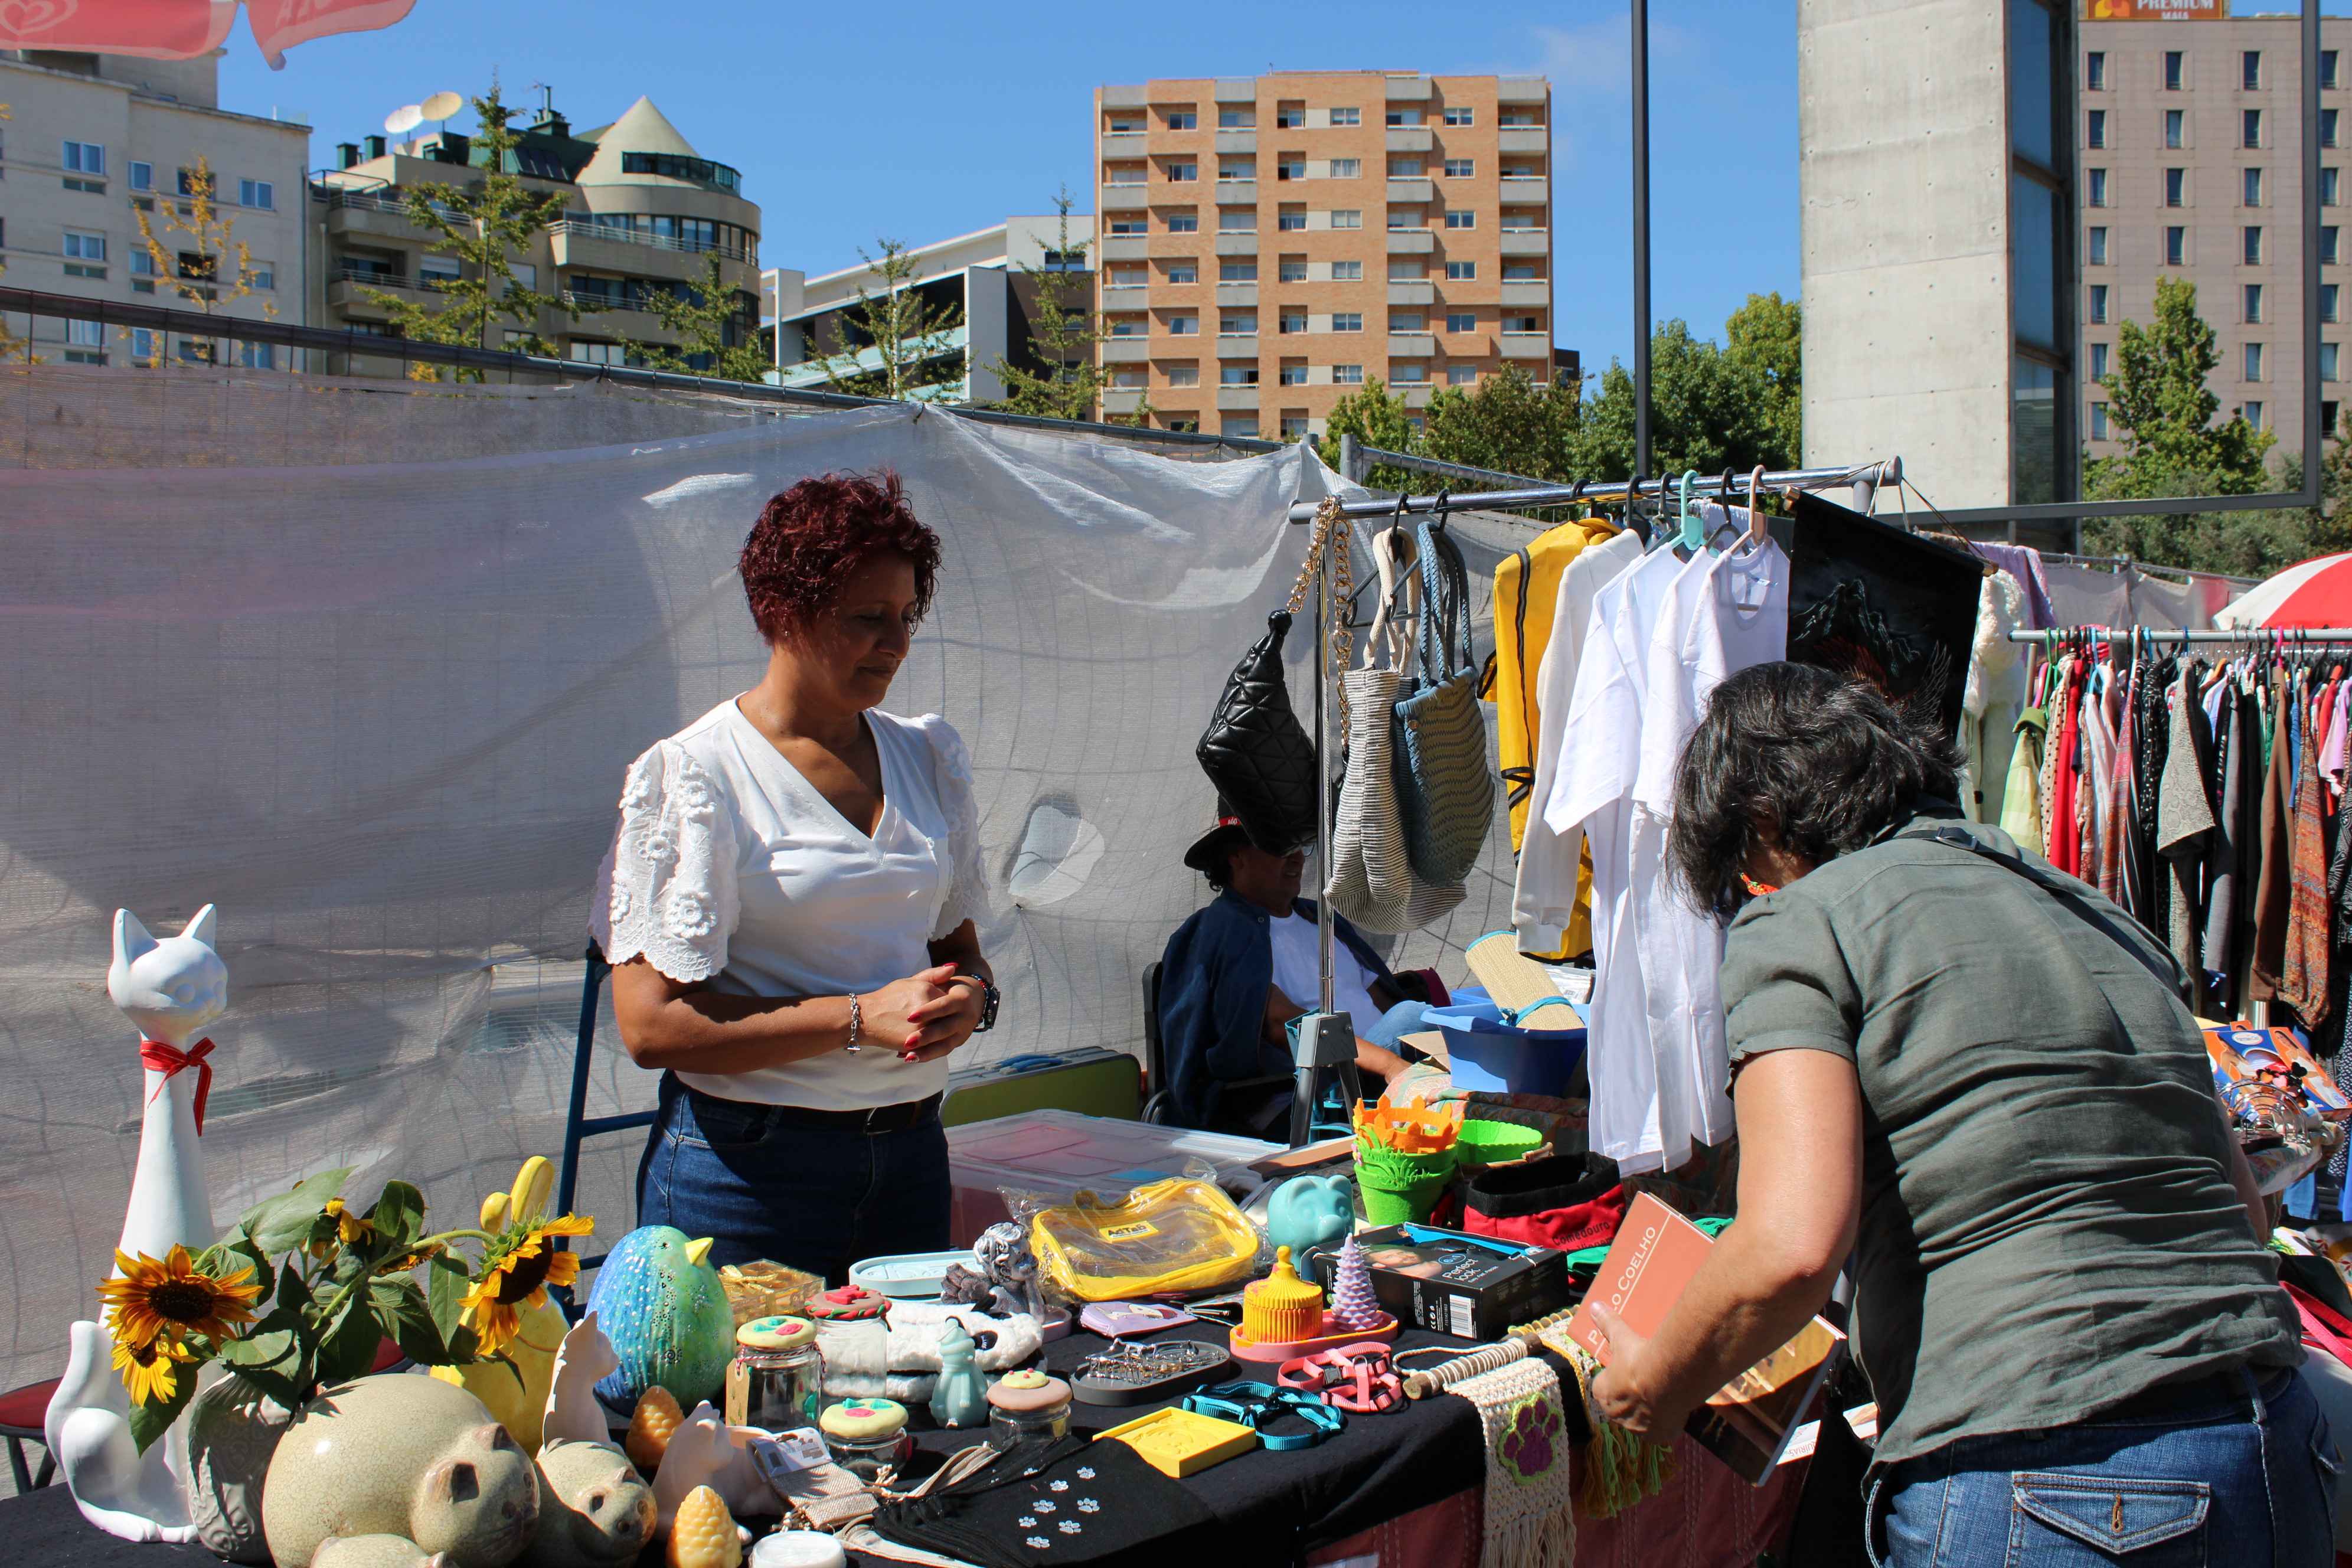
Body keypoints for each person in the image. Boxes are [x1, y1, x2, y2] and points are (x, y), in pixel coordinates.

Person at [1586, 661, 2330, 1565]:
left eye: (1746, 872)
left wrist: (1650, 1389)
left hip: (2047, 1464)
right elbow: (2243, 1213)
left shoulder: (1805, 922)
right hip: (2271, 1442)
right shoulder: (2099, 915)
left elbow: (1788, 1249)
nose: (1751, 892)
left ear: (1768, 822)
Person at [592, 471, 996, 1283]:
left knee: (908, 1371)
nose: (897, 642)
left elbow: (957, 949)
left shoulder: (927, 755)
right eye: (867, 617)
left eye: (907, 616)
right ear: (785, 612)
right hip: (747, 1176)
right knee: (749, 1371)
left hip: (911, 1155)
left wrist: (972, 999)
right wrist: (857, 1019)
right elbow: (650, 1028)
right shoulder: (696, 775)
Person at [1155, 806, 1429, 1136]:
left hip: (1377, 1073)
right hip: (1315, 1090)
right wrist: (1391, 1065)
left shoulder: (1320, 918)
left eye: (1300, 845)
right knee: (1414, 1019)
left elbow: (1380, 998)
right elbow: (1283, 1026)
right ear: (1236, 856)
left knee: (1441, 1022)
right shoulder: (1221, 929)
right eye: (1280, 847)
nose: (1297, 857)